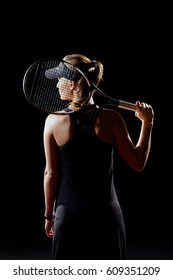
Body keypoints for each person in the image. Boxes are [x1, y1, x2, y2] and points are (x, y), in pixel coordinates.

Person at [43, 53, 154, 260]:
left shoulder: (52, 121)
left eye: (60, 79)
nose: (57, 84)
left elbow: (51, 174)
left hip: (68, 218)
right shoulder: (111, 119)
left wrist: (49, 216)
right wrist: (147, 123)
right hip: (106, 219)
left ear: (74, 84)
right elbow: (138, 162)